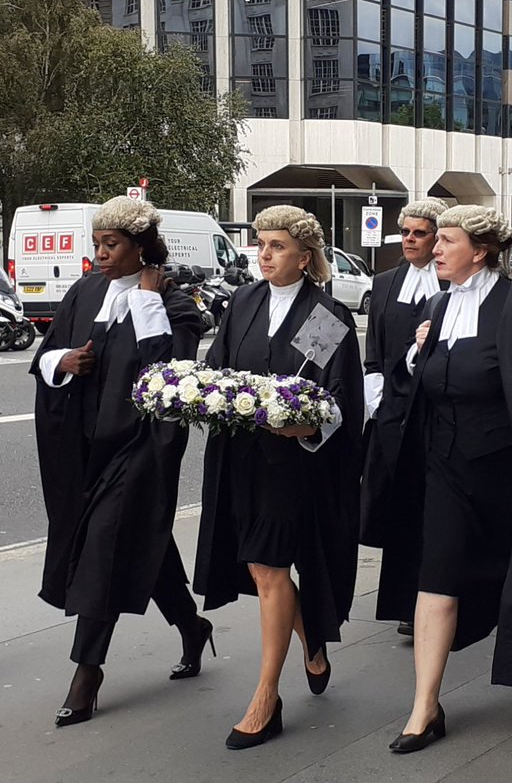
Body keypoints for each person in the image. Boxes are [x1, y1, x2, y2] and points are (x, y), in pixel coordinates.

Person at [388, 205, 512, 753]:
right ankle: (425, 706)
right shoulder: (439, 305)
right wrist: (416, 351)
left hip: (509, 472)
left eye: (447, 241)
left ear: (482, 250)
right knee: (436, 578)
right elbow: (418, 380)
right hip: (446, 467)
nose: (436, 250)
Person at [31, 197, 208, 728]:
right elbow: (47, 351)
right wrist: (62, 360)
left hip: (139, 447)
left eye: (111, 245)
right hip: (84, 446)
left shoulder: (175, 304)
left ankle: (87, 671)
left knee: (106, 546)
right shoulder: (86, 290)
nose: (101, 255)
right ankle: (192, 626)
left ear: (141, 248)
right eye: (97, 245)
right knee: (143, 541)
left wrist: (149, 301)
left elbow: (171, 375)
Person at [193, 206, 363, 750]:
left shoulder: (325, 315)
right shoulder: (243, 301)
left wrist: (306, 426)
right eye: (261, 244)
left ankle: (266, 699)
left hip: (291, 467)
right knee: (257, 565)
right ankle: (312, 637)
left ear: (305, 257)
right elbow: (217, 371)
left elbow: (337, 399)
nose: (264, 255)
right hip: (239, 460)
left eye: (277, 246)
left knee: (268, 567)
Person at [360, 199, 448, 639]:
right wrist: (377, 398)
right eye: (406, 232)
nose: (409, 240)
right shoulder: (384, 282)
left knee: (435, 508)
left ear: (437, 237)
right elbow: (374, 347)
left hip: (438, 411)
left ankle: (438, 594)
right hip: (393, 413)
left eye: (419, 233)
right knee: (399, 509)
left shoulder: (451, 282)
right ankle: (404, 602)